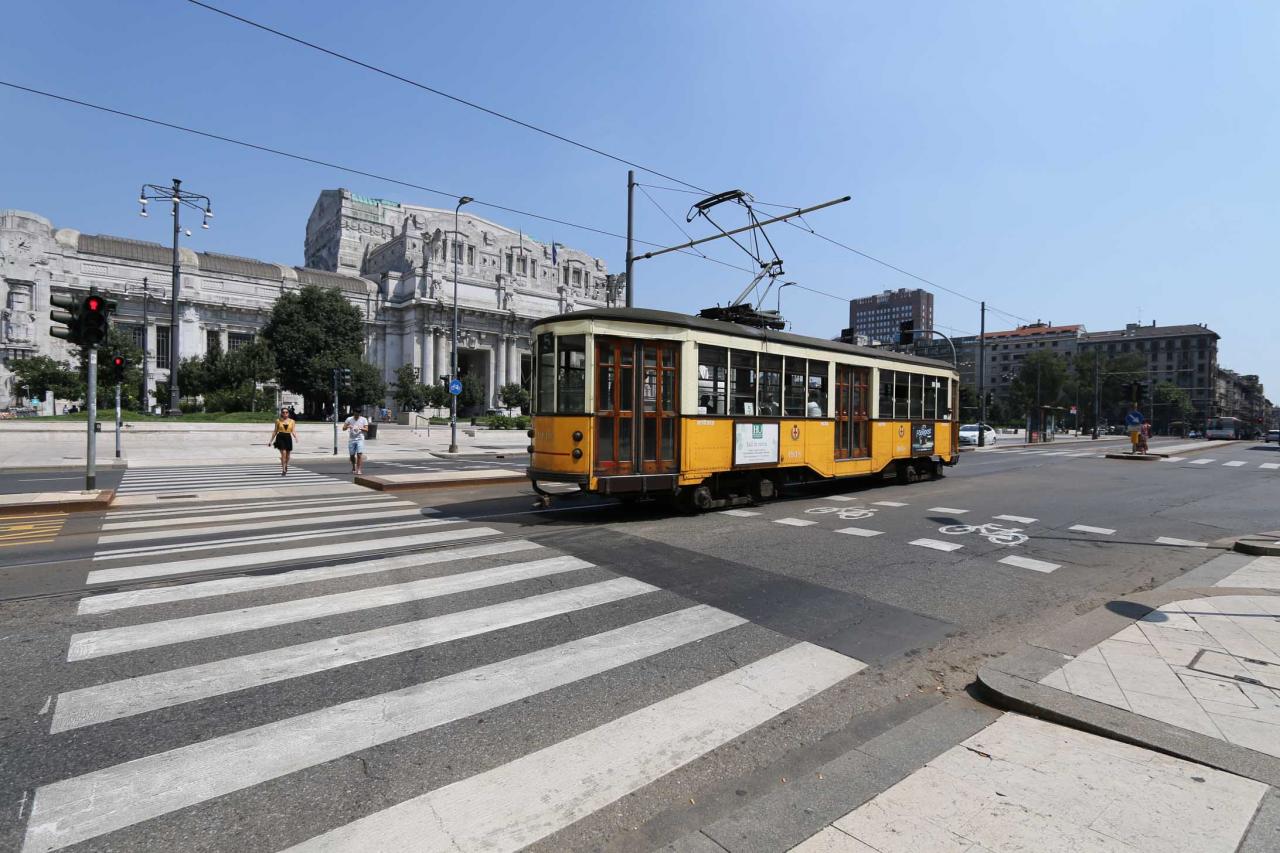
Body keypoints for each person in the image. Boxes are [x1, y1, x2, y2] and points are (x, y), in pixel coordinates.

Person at [269, 407, 298, 476]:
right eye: (283, 412)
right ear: (281, 413)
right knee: (283, 454)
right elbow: (275, 431)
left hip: (288, 437)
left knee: (288, 456)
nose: (285, 413)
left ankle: (286, 464)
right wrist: (270, 441)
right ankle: (284, 469)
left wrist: (296, 437)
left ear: (288, 413)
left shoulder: (292, 421)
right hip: (280, 437)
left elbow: (293, 430)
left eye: (286, 412)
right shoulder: (278, 421)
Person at [343, 406, 370, 475]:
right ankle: (353, 467)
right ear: (353, 413)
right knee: (352, 455)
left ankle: (359, 469)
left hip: (360, 439)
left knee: (359, 454)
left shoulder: (364, 419)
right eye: (355, 413)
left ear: (360, 414)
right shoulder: (349, 419)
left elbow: (366, 429)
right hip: (352, 439)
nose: (357, 415)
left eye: (358, 414)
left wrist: (359, 428)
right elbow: (343, 428)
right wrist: (348, 426)